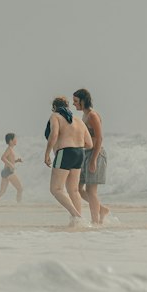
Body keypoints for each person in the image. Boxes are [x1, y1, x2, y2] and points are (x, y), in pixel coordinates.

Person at [44, 96, 92, 228]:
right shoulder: (78, 121)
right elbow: (89, 143)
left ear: (54, 107)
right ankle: (76, 223)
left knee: (56, 189)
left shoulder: (55, 116)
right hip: (79, 153)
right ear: (68, 107)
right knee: (73, 190)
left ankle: (76, 216)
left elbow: (54, 134)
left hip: (64, 153)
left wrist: (47, 153)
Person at [74, 88, 110, 227]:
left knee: (91, 190)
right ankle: (101, 209)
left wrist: (94, 159)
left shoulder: (93, 116)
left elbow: (100, 138)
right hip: (85, 154)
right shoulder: (85, 115)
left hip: (96, 153)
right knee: (77, 187)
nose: (74, 104)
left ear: (83, 101)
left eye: (76, 101)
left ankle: (95, 221)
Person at [0, 133, 23, 203]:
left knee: (2, 191)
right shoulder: (9, 149)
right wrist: (11, 165)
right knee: (20, 189)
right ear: (10, 141)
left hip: (5, 172)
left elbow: (9, 161)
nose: (16, 140)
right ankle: (19, 205)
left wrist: (16, 161)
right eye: (15, 139)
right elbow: (2, 158)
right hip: (8, 171)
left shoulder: (11, 149)